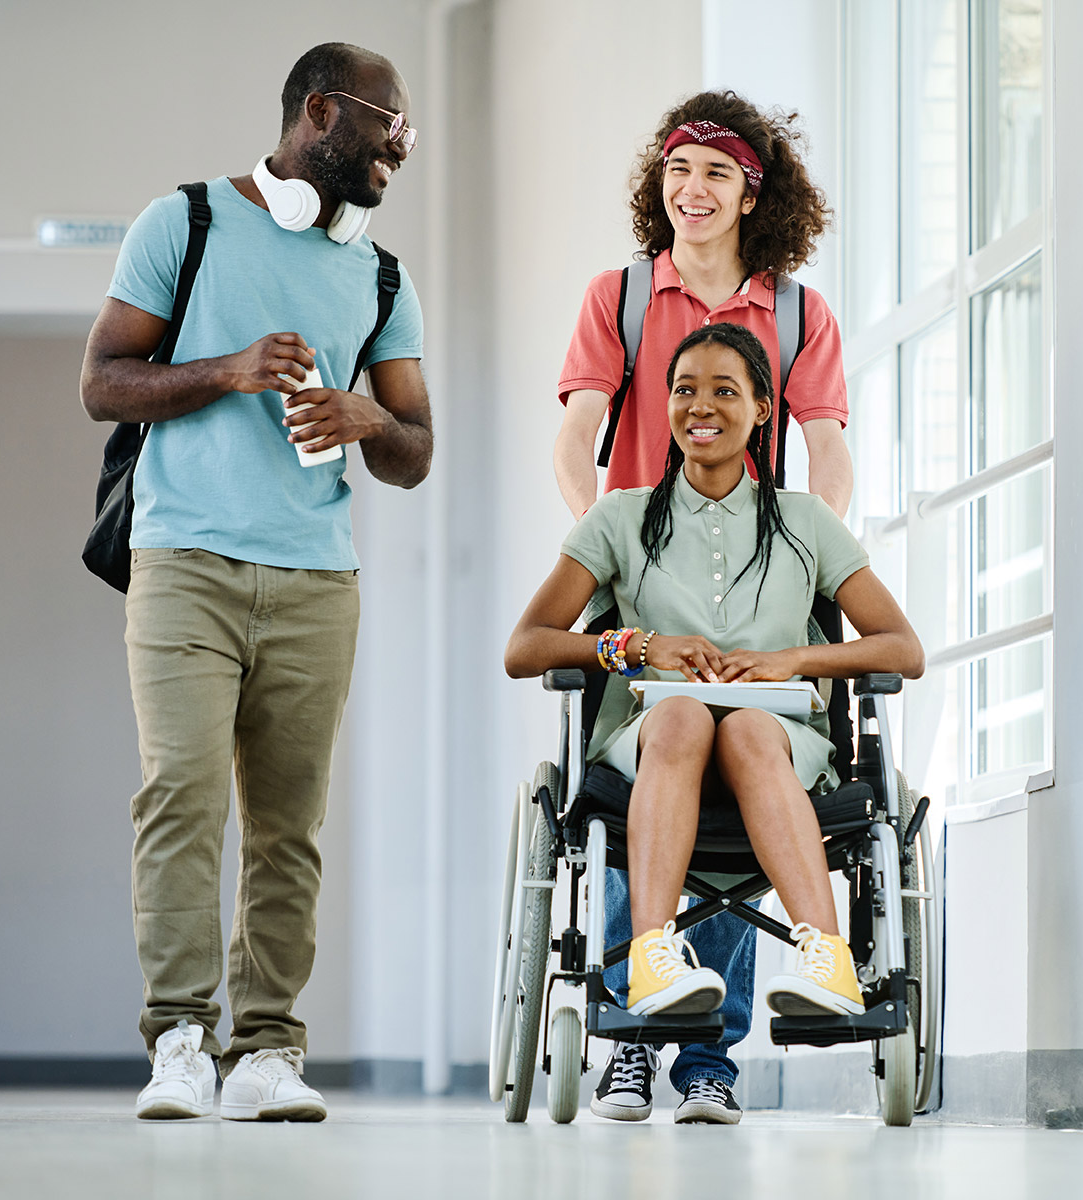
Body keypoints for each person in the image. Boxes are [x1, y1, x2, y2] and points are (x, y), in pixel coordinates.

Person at [79, 42, 431, 1122]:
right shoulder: (179, 223)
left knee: (288, 824)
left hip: (318, 580)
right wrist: (228, 368)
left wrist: (369, 417)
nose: (401, 149)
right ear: (320, 112)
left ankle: (267, 1051)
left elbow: (414, 448)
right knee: (180, 797)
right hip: (182, 561)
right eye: (388, 124)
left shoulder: (379, 274)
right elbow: (102, 383)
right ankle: (181, 1040)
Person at [511, 324, 922, 1122]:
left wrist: (791, 660)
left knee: (743, 730)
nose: (701, 406)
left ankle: (827, 961)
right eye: (685, 388)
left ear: (764, 410)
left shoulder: (804, 520)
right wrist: (637, 646)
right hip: (653, 737)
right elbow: (526, 646)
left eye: (725, 390)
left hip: (779, 738)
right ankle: (655, 962)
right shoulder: (619, 517)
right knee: (683, 719)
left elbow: (901, 647)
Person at [553, 89, 853, 1125]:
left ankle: (706, 1054)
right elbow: (578, 429)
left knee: (739, 768)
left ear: (754, 194)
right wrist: (606, 541)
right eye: (679, 169)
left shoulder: (801, 314)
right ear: (660, 182)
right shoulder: (622, 297)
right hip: (644, 576)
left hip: (759, 577)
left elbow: (828, 448)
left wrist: (808, 562)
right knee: (653, 765)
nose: (694, 189)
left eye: (718, 172)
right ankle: (633, 1036)